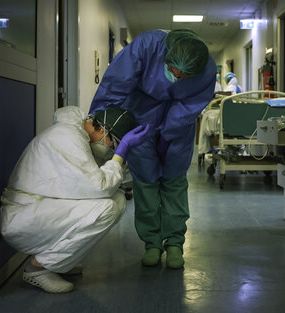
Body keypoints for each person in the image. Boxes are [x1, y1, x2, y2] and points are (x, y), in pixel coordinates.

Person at [90, 29, 216, 269]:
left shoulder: (207, 69)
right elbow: (116, 83)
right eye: (172, 71)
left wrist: (168, 134)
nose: (176, 78)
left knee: (174, 179)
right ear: (166, 57)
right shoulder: (148, 46)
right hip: (139, 114)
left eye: (184, 77)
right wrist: (101, 121)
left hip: (179, 124)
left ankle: (175, 243)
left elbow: (190, 105)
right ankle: (152, 243)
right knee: (146, 181)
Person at [0, 106, 150, 293]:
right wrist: (121, 153)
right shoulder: (67, 138)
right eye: (113, 144)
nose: (111, 149)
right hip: (21, 217)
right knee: (107, 208)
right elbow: (99, 186)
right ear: (102, 130)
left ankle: (57, 261)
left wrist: (121, 156)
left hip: (37, 207)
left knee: (116, 199)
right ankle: (38, 268)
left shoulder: (77, 136)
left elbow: (100, 180)